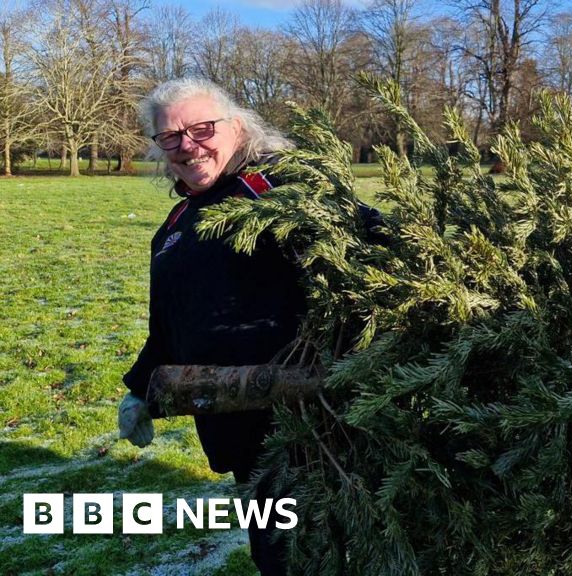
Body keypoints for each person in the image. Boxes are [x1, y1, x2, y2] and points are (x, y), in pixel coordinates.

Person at [117, 78, 380, 575]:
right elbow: (169, 325)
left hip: (308, 423)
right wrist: (140, 390)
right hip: (235, 421)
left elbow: (369, 234)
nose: (187, 146)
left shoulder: (275, 187)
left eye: (201, 129)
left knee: (307, 555)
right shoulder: (176, 224)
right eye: (169, 137)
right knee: (274, 552)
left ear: (236, 127)